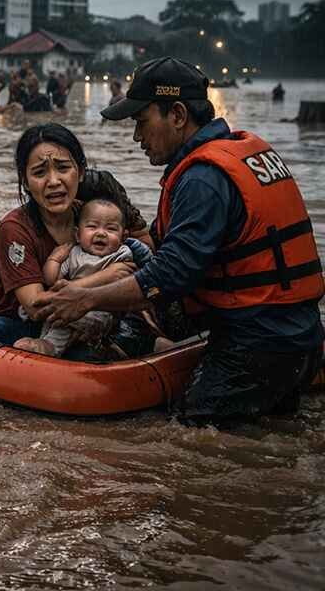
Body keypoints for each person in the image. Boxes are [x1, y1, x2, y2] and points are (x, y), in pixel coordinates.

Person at [35, 57, 323, 426]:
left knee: (190, 441)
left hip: (257, 344)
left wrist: (86, 297)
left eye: (141, 122)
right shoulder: (242, 153)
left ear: (177, 114)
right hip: (302, 335)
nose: (137, 137)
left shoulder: (202, 178)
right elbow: (165, 247)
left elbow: (169, 274)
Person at [0, 124, 150, 347]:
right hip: (19, 323)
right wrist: (104, 278)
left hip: (87, 317)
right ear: (26, 182)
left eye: (62, 168)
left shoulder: (92, 218)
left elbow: (142, 258)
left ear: (80, 172)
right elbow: (34, 306)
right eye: (40, 172)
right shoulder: (16, 228)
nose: (53, 181)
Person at [15, 198, 135, 357]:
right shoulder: (73, 253)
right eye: (92, 226)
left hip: (99, 310)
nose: (101, 233)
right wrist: (54, 259)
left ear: (123, 236)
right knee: (56, 309)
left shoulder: (120, 255)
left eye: (111, 229)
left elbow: (124, 285)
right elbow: (52, 280)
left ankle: (50, 347)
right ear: (78, 234)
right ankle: (43, 341)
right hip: (70, 302)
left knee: (67, 315)